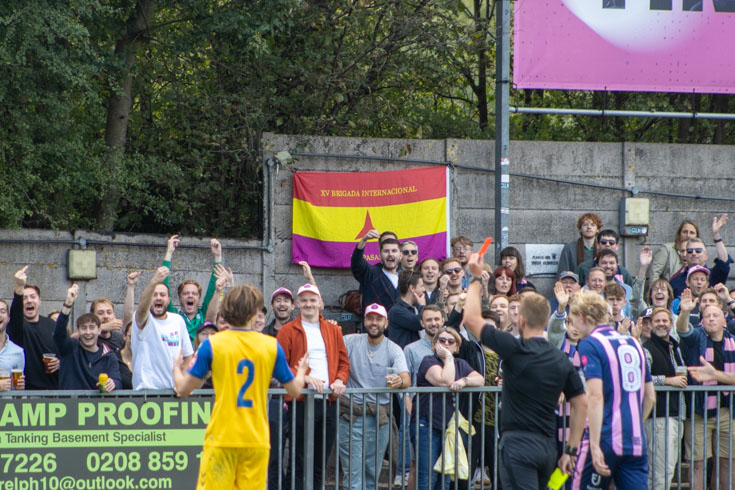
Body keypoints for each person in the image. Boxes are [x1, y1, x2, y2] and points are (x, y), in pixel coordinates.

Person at [463, 252, 587, 490]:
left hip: (517, 445)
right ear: (546, 320)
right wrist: (570, 451)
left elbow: (470, 318)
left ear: (520, 321)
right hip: (548, 446)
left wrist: (476, 278)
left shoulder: (514, 348)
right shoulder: (561, 359)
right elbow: (581, 403)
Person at [173, 283, 309, 489]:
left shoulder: (213, 343)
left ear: (226, 311)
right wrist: (301, 372)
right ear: (255, 312)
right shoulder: (270, 345)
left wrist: (176, 369)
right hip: (255, 438)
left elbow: (183, 389)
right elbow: (295, 390)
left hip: (222, 436)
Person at [569, 290, 655, 490]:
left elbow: (595, 396)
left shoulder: (590, 344)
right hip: (635, 440)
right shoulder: (634, 342)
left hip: (605, 438)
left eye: (573, 321)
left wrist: (594, 444)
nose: (573, 327)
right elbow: (650, 396)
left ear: (583, 318)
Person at [276, 283, 350, 490]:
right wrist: (306, 378)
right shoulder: (287, 330)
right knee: (298, 460)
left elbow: (344, 363)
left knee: (321, 462)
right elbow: (280, 366)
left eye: (312, 300)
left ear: (320, 303)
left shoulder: (334, 330)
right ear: (298, 304)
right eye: (304, 301)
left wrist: (339, 380)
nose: (308, 304)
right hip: (301, 402)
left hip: (328, 402)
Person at [339, 303, 410, 490]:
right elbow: (331, 346)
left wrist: (398, 382)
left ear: (386, 324)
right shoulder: (350, 341)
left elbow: (406, 378)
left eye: (378, 319)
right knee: (353, 476)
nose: (374, 323)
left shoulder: (394, 348)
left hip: (380, 418)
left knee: (372, 475)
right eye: (370, 318)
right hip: (350, 416)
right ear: (364, 321)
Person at [676, 292, 735, 490]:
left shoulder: (733, 341)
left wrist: (715, 375)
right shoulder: (697, 338)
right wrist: (685, 313)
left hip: (729, 412)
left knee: (727, 462)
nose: (710, 318)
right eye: (706, 315)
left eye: (715, 315)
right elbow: (683, 331)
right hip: (699, 411)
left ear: (724, 319)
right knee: (698, 464)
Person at [415, 326, 485, 490]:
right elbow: (445, 380)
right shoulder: (428, 360)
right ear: (435, 344)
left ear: (457, 347)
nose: (446, 343)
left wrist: (464, 381)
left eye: (451, 341)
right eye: (442, 340)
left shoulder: (461, 363)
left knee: (446, 476)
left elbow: (480, 379)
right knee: (428, 476)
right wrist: (447, 357)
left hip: (449, 426)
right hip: (427, 424)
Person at [398, 305, 445, 486]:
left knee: (445, 468)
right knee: (419, 467)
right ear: (421, 323)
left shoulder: (452, 344)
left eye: (436, 319)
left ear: (443, 320)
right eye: (429, 320)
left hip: (446, 416)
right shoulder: (411, 349)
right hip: (421, 416)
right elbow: (405, 382)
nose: (433, 323)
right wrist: (411, 411)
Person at [641, 307, 686, 490]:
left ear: (671, 323)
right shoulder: (646, 349)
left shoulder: (674, 347)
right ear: (650, 325)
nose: (661, 324)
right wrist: (668, 381)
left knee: (666, 471)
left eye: (664, 321)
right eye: (657, 321)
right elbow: (641, 377)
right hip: (658, 417)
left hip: (675, 415)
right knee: (661, 472)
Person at [131, 266, 194, 390]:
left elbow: (188, 356)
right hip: (146, 392)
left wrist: (183, 382)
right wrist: (153, 281)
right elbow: (142, 307)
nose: (158, 297)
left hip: (172, 393)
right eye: (154, 295)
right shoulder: (143, 318)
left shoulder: (178, 320)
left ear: (168, 300)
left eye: (162, 295)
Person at [53, 284, 122, 391]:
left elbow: (118, 381)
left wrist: (113, 384)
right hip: (70, 405)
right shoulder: (70, 348)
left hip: (97, 406)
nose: (88, 332)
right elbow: (59, 333)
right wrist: (68, 304)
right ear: (78, 330)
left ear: (99, 330)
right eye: (84, 328)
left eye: (92, 328)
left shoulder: (109, 356)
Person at [162, 234, 224, 341]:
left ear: (199, 298)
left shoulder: (204, 315)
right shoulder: (174, 315)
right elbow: (163, 286)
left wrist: (218, 257)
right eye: (186, 293)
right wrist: (169, 253)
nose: (190, 295)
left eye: (194, 293)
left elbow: (213, 289)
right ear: (180, 297)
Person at [7, 265, 59, 389]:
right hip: (27, 393)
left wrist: (60, 362)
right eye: (25, 298)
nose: (29, 301)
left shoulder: (51, 324)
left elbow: (65, 351)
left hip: (54, 392)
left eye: (33, 297)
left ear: (39, 301)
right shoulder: (17, 326)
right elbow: (15, 317)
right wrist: (19, 287)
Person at [669, 214, 731, 297]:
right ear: (685, 256)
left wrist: (716, 235)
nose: (694, 253)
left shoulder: (713, 275)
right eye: (690, 251)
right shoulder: (675, 280)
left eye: (698, 251)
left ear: (706, 256)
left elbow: (723, 263)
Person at [352, 229, 401, 313]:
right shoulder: (371, 274)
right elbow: (357, 262)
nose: (390, 254)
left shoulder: (406, 279)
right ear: (380, 255)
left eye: (394, 251)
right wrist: (364, 239)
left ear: (400, 256)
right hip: (375, 325)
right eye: (386, 251)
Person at [387, 270, 426, 348]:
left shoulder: (415, 308)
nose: (424, 289)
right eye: (421, 286)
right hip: (403, 357)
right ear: (412, 288)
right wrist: (422, 305)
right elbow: (420, 323)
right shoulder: (396, 311)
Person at [557, 213, 601, 278]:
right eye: (585, 225)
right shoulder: (569, 248)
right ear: (580, 229)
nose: (589, 227)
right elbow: (562, 273)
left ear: (598, 229)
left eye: (592, 225)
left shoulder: (602, 248)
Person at [0, 299, 24, 391]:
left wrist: (20, 388)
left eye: (2, 311)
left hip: (8, 404)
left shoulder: (18, 352)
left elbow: (19, 396)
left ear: (8, 318)